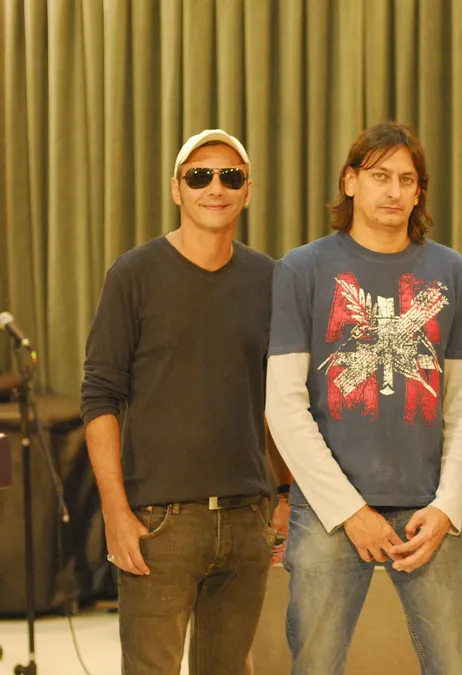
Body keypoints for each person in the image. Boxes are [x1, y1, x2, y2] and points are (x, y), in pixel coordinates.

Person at [265, 121, 462, 674]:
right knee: (315, 666)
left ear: (419, 191)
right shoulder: (302, 269)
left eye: (407, 180)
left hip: (428, 508)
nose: (394, 191)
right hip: (328, 510)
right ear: (350, 181)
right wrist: (349, 512)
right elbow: (284, 405)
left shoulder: (453, 273)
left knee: (454, 667)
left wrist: (448, 507)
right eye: (380, 176)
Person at [81, 129, 292, 674]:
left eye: (230, 177)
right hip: (159, 522)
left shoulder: (270, 278)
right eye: (199, 176)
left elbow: (281, 398)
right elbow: (100, 397)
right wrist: (116, 513)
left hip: (247, 519)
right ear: (177, 189)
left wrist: (284, 493)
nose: (215, 188)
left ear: (248, 191)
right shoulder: (133, 275)